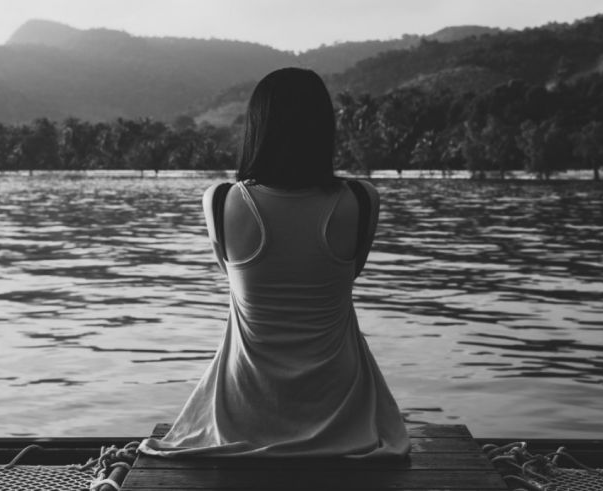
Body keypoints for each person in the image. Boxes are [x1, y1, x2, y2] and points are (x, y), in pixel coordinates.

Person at [137, 67, 410, 458]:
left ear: (257, 127)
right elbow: (353, 272)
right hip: (344, 414)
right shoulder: (363, 200)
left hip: (245, 413)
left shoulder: (220, 201)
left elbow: (230, 272)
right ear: (323, 127)